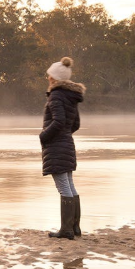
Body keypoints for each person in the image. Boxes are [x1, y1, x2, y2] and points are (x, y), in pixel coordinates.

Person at [40, 56, 85, 239]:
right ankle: (74, 228)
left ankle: (66, 230)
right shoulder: (70, 97)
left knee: (63, 187)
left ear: (54, 78)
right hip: (66, 143)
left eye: (49, 75)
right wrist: (65, 134)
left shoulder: (57, 95)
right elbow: (75, 124)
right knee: (69, 185)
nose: (47, 77)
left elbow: (58, 122)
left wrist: (44, 136)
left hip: (58, 146)